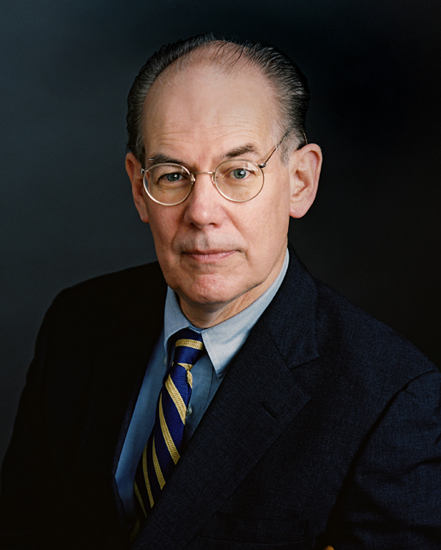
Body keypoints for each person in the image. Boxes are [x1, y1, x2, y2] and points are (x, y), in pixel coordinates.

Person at [1, 34, 440, 550]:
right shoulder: (77, 323)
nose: (202, 212)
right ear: (139, 187)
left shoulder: (390, 399)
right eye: (172, 175)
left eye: (238, 172)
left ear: (300, 180)